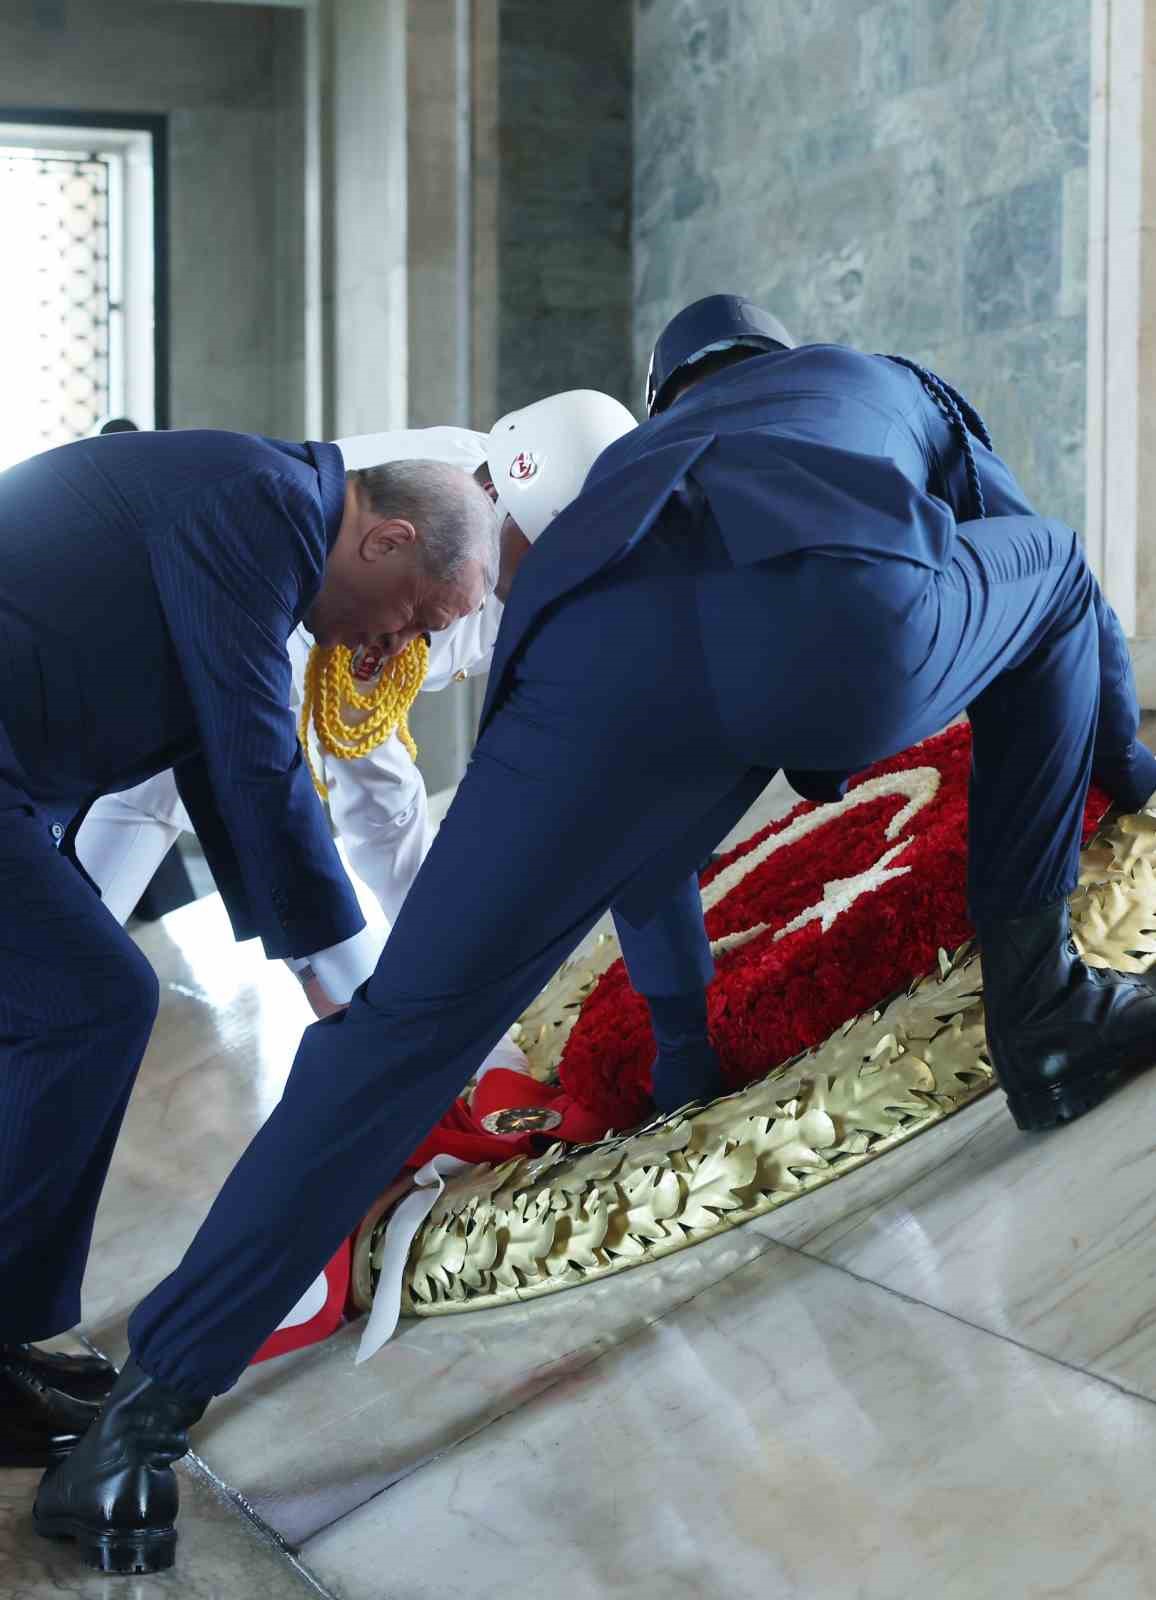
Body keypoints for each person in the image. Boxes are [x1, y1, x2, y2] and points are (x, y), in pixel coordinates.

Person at [34, 296, 1156, 1574]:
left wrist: (680, 1062)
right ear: (775, 356)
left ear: (664, 394)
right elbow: (1003, 540)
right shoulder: (867, 379)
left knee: (401, 1032)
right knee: (1057, 570)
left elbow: (645, 842)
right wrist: (1123, 763)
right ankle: (1046, 1016)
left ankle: (138, 1428)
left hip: (582, 664)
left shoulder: (619, 483)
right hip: (841, 622)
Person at [0, 430, 497, 1479]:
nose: (385, 650)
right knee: (91, 1003)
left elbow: (220, 769)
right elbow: (248, 748)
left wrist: (329, 986)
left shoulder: (266, 521)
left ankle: (5, 1343)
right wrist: (349, 990)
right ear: (388, 540)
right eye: (408, 614)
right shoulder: (258, 505)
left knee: (73, 1009)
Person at [74, 394, 637, 1026]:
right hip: (206, 665)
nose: (567, 578)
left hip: (249, 698)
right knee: (155, 801)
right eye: (555, 553)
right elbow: (297, 773)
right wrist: (356, 984)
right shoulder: (410, 535)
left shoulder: (533, 561)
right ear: (508, 507)